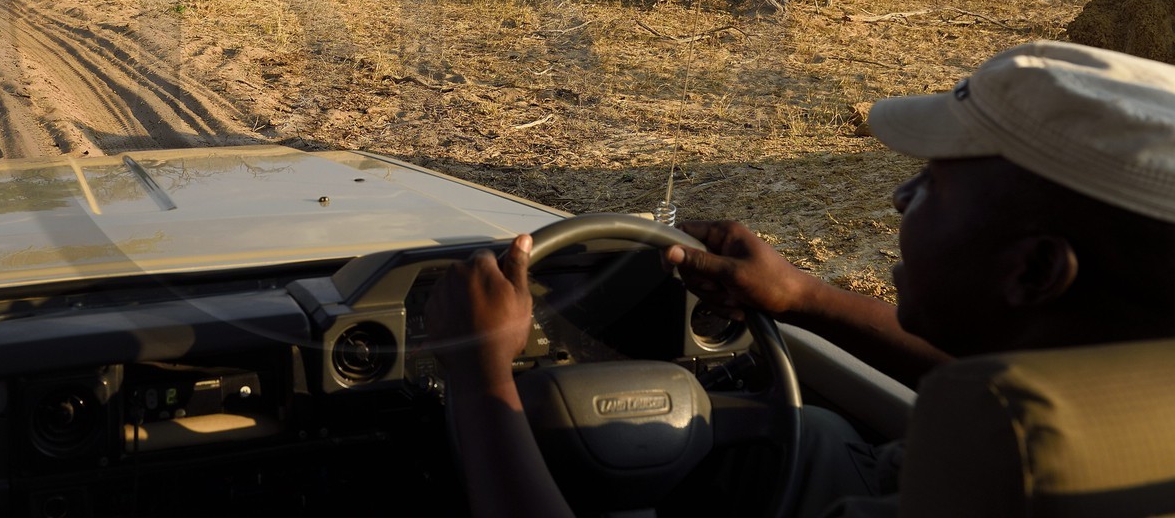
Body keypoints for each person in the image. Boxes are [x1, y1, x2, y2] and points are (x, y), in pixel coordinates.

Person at [425, 39, 1175, 517]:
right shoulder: (1106, 425)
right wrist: (805, 298)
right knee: (808, 430)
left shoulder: (991, 455)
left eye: (933, 187)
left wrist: (479, 374)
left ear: (1036, 269)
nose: (898, 197)